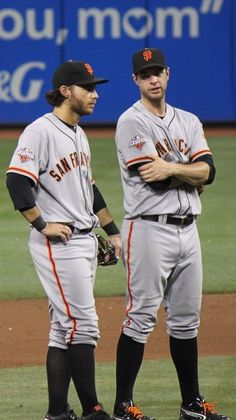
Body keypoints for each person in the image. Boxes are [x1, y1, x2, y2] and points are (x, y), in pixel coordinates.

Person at [112, 48, 230, 420]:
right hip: (148, 229)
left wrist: (172, 167)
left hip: (188, 232)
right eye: (145, 74)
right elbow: (152, 177)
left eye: (157, 72)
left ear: (168, 73)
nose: (153, 79)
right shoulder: (130, 122)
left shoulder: (189, 120)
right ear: (135, 80)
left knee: (186, 319)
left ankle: (191, 404)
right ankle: (123, 405)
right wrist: (187, 170)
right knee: (141, 317)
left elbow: (209, 171)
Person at [6, 60, 122, 420]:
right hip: (61, 246)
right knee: (83, 324)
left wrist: (112, 231)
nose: (95, 94)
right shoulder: (39, 131)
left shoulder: (78, 133)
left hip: (84, 242)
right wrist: (42, 225)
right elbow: (16, 180)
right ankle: (93, 410)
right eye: (88, 87)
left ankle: (58, 412)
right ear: (66, 91)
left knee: (62, 329)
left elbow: (88, 188)